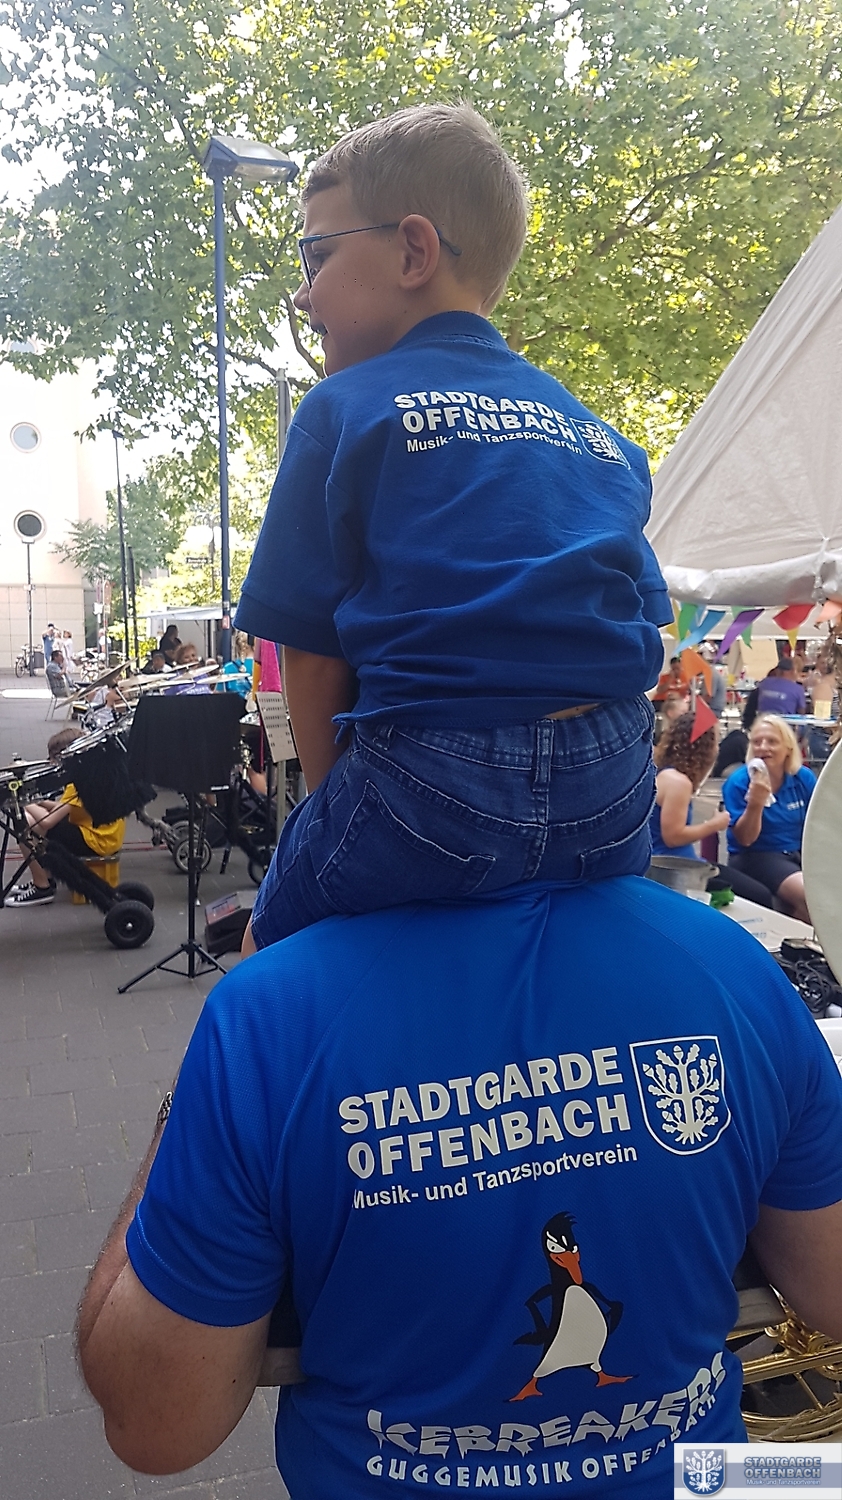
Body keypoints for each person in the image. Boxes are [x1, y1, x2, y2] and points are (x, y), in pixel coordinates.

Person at [76, 877, 842, 1496]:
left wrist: (189, 1108)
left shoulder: (271, 1013)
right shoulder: (729, 964)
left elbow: (155, 1425)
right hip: (696, 1479)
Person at [235, 103, 671, 950]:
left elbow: (312, 660)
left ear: (412, 251)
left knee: (265, 954)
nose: (302, 292)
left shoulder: (341, 409)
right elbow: (636, 619)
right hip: (614, 784)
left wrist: (330, 818)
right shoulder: (602, 437)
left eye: (317, 255)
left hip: (433, 784)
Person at [650, 713, 773, 907]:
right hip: (676, 869)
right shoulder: (678, 783)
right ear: (705, 747)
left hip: (677, 863)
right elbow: (673, 837)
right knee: (760, 895)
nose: (718, 748)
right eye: (716, 741)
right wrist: (714, 824)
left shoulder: (668, 774)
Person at [6, 727, 126, 907]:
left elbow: (47, 822)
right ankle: (43, 878)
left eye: (54, 759)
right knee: (29, 819)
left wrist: (20, 803)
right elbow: (65, 809)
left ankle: (42, 887)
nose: (52, 763)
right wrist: (38, 802)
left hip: (97, 841)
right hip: (103, 835)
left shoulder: (78, 783)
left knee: (26, 825)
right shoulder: (90, 772)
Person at [722, 714, 816, 922]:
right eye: (757, 742)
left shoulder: (802, 778)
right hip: (757, 855)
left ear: (788, 748)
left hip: (798, 853)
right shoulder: (739, 782)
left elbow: (818, 825)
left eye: (772, 741)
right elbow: (745, 839)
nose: (763, 747)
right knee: (812, 897)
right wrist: (755, 803)